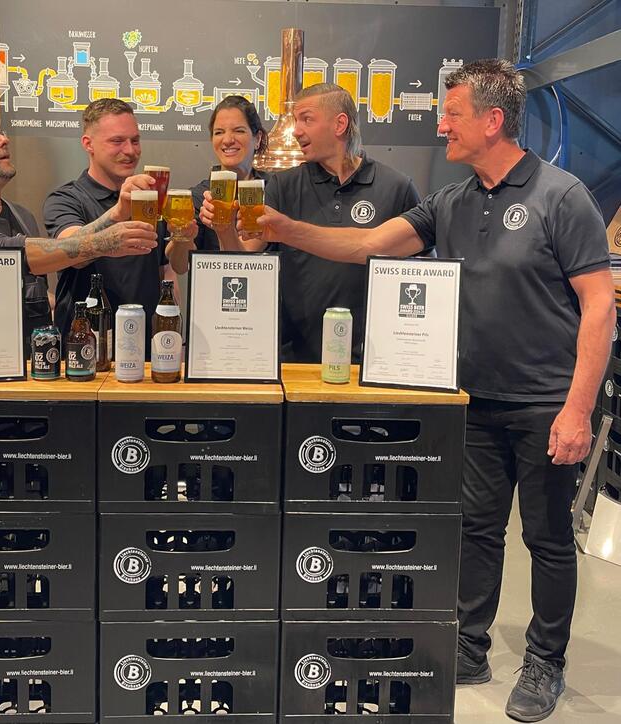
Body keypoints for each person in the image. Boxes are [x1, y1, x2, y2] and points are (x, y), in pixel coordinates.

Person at [253, 59, 615, 722]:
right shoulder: (451, 201)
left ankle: (544, 661)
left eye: (451, 114)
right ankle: (469, 647)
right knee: (476, 530)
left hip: (544, 402)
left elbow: (598, 305)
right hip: (472, 400)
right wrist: (282, 229)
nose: (440, 125)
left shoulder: (561, 197)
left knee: (545, 539)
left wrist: (576, 409)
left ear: (492, 120)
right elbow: (367, 244)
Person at [0, 113, 157, 382]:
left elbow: (31, 284)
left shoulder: (21, 215)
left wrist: (116, 215)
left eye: (0, 133)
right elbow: (6, 254)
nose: (3, 140)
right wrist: (105, 242)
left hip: (24, 374)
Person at [201, 83, 420, 363]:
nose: (296, 131)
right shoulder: (283, 186)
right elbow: (242, 263)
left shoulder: (396, 187)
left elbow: (420, 275)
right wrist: (224, 229)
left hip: (373, 359)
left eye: (306, 119)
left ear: (340, 124)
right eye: (296, 120)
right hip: (295, 358)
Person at [43, 98, 174, 346]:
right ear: (88, 144)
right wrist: (118, 212)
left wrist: (175, 336)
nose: (130, 151)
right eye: (117, 141)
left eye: (135, 140)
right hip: (84, 347)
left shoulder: (149, 199)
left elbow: (164, 272)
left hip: (146, 348)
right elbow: (69, 251)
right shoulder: (65, 199)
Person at [190, 95, 270, 253]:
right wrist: (182, 236)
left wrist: (223, 228)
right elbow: (179, 262)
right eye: (219, 132)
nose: (227, 140)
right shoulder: (200, 196)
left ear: (257, 139)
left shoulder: (273, 189)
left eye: (239, 131)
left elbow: (245, 258)